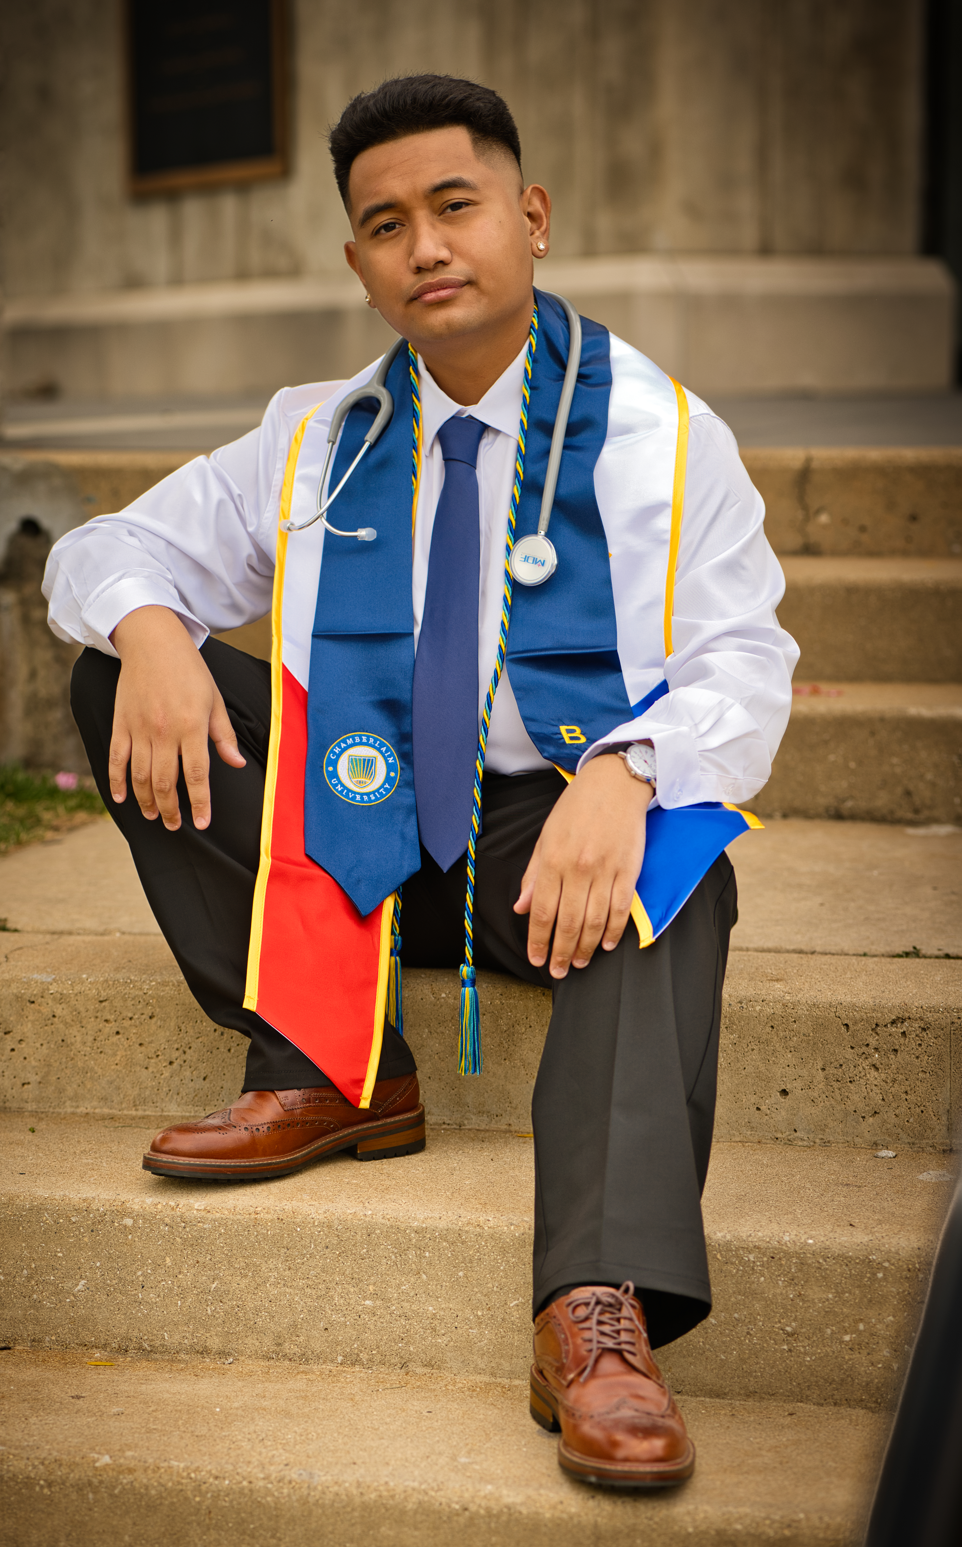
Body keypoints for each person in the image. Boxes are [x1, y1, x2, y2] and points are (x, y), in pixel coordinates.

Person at [44, 74, 797, 1491]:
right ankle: (336, 1059)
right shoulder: (319, 437)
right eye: (386, 224)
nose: (427, 246)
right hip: (365, 811)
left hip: (545, 843)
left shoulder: (657, 435)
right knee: (115, 666)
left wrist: (628, 772)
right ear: (358, 263)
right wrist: (150, 626)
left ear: (531, 217)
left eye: (455, 206)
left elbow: (747, 663)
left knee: (689, 864)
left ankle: (596, 1305)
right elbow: (95, 553)